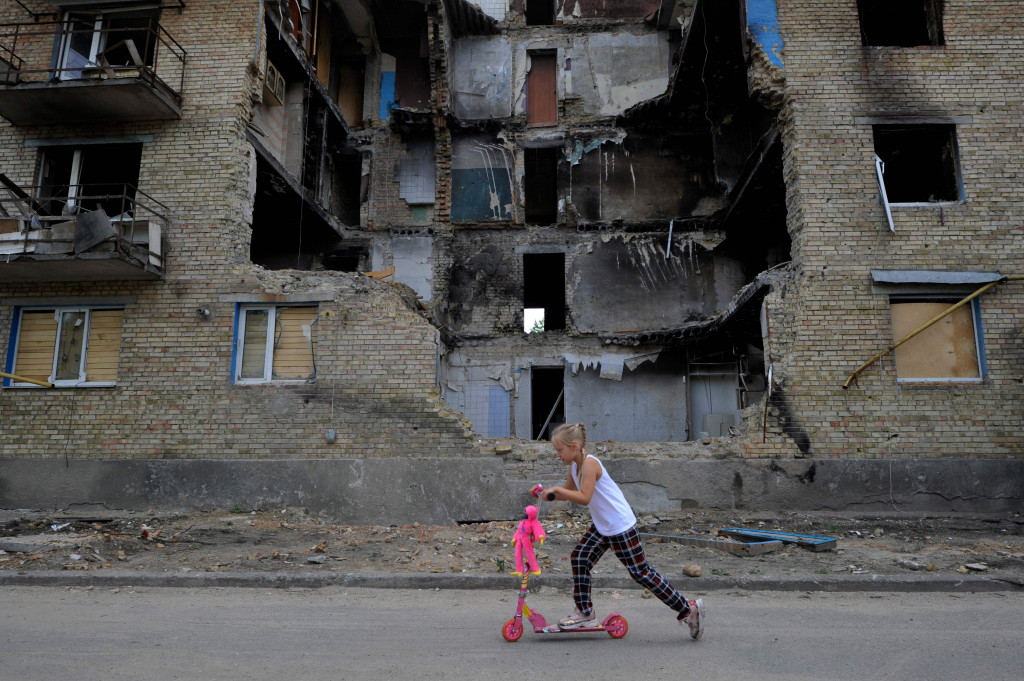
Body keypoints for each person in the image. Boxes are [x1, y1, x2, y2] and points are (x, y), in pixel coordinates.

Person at [541, 422, 705, 640]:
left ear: (574, 445)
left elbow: (584, 497)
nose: (558, 455)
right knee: (579, 558)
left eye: (559, 450)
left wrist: (559, 490)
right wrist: (549, 493)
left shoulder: (590, 464)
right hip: (603, 526)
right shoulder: (574, 467)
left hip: (620, 526)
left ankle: (687, 609)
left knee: (641, 573)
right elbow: (567, 493)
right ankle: (585, 612)